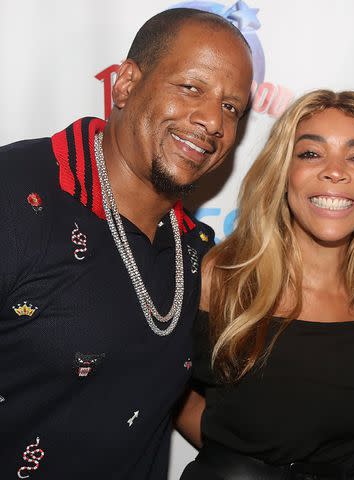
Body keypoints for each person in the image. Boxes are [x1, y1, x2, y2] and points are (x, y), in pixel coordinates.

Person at [0, 8, 252, 479]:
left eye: (231, 107)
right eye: (191, 88)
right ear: (126, 83)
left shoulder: (194, 250)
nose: (212, 121)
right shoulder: (15, 193)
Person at [174, 90, 354, 480]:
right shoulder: (224, 277)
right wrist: (236, 458)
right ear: (283, 171)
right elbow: (163, 388)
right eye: (310, 153)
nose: (335, 171)